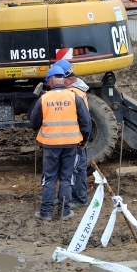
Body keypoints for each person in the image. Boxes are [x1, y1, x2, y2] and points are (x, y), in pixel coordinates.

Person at [29, 64, 91, 222]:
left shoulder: (44, 98)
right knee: (66, 178)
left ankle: (46, 213)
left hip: (50, 145)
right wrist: (83, 141)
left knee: (49, 178)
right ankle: (64, 212)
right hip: (71, 145)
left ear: (50, 81)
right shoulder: (74, 97)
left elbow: (34, 123)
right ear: (63, 80)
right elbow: (86, 122)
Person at [63, 65, 91, 209]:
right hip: (77, 136)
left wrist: (83, 139)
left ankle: (80, 198)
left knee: (77, 168)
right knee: (75, 167)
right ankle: (73, 196)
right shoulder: (77, 90)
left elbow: (84, 120)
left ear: (67, 79)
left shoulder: (74, 93)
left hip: (76, 137)